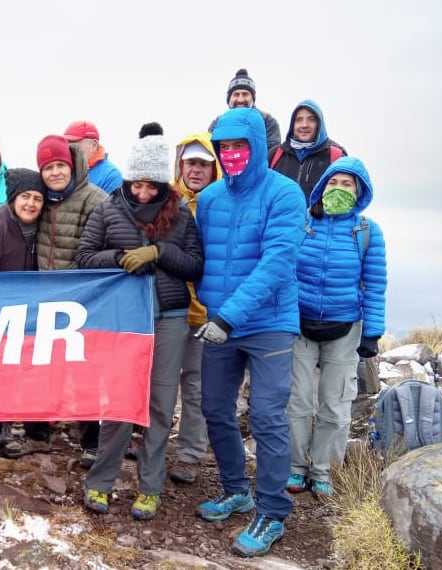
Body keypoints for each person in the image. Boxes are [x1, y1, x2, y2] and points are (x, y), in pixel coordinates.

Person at [192, 107, 305, 557]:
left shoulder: (285, 194)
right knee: (215, 408)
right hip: (220, 325)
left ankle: (273, 510)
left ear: (258, 146)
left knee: (266, 417)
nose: (232, 154)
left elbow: (277, 262)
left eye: (240, 146)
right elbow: (204, 257)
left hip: (269, 325)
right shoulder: (211, 197)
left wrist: (228, 316)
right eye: (225, 147)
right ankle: (237, 489)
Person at [79, 124, 203, 520]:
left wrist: (158, 253)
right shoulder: (108, 209)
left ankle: (150, 487)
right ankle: (101, 482)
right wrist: (118, 258)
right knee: (118, 402)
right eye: (137, 185)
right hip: (122, 318)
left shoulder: (181, 216)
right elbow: (84, 258)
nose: (144, 193)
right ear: (128, 180)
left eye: (153, 187)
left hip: (169, 317)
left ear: (165, 186)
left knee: (160, 404)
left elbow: (196, 267)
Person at [286, 157, 387, 497]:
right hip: (298, 324)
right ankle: (295, 467)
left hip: (345, 328)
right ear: (322, 187)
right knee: (297, 401)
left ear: (359, 192)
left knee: (336, 403)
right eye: (333, 183)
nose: (339, 189)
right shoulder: (302, 224)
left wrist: (372, 333)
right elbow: (283, 271)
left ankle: (324, 471)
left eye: (347, 185)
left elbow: (375, 284)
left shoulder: (367, 231)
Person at [34, 133, 108, 467]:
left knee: (85, 369)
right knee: (42, 364)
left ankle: (91, 437)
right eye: (48, 167)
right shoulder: (39, 198)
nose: (55, 173)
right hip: (43, 296)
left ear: (72, 164)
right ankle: (38, 433)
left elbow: (98, 247)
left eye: (60, 165)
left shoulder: (95, 199)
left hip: (82, 298)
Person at [0, 167, 50, 458]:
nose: (31, 204)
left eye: (38, 198)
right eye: (25, 197)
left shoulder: (43, 227)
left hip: (35, 309)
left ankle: (38, 432)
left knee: (35, 369)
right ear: (13, 198)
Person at [167, 132, 222, 484]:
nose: (197, 170)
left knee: (196, 387)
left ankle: (189, 454)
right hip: (167, 308)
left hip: (207, 311)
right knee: (159, 383)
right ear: (180, 166)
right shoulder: (165, 201)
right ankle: (148, 442)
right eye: (191, 163)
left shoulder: (223, 203)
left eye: (204, 164)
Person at [270, 100, 347, 203]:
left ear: (320, 123)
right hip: (281, 219)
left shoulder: (337, 156)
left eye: (311, 120)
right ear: (292, 124)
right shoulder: (276, 154)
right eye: (299, 120)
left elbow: (344, 198)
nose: (304, 125)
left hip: (319, 219)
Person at [208, 69, 281, 153]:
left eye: (245, 94)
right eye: (236, 94)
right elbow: (210, 150)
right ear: (229, 99)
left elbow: (273, 152)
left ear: (252, 98)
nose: (240, 99)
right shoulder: (217, 123)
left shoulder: (267, 121)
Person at [63, 120, 123, 194]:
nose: (68, 148)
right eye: (66, 143)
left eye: (74, 144)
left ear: (94, 145)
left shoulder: (111, 175)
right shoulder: (61, 169)